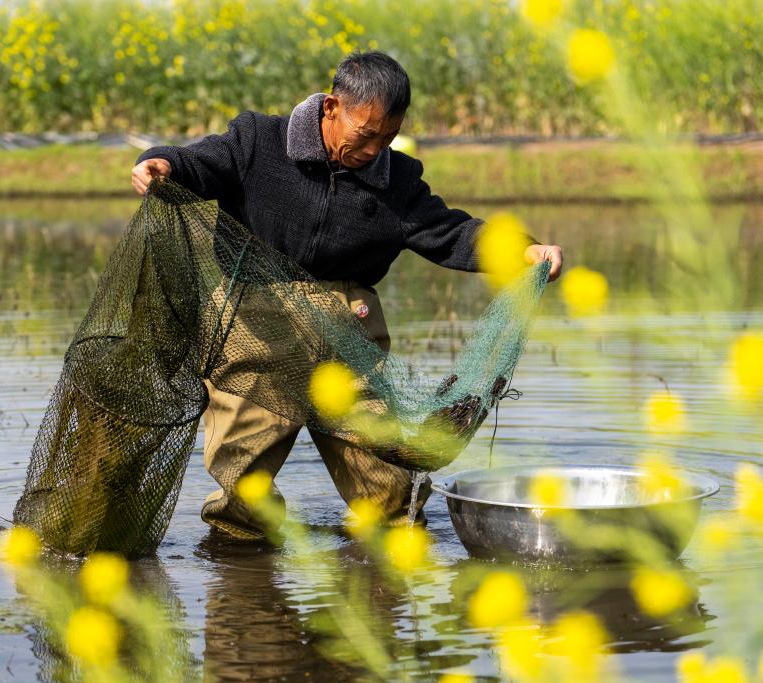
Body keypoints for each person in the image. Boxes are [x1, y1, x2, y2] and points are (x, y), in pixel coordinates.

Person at [132, 51, 563, 541]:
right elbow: (196, 162)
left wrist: (524, 251)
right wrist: (160, 163)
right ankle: (243, 570)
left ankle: (383, 570)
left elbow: (451, 232)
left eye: (388, 137)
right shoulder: (257, 142)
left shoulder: (397, 181)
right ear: (332, 108)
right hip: (255, 325)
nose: (374, 149)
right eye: (366, 133)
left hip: (349, 332)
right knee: (242, 486)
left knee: (391, 490)